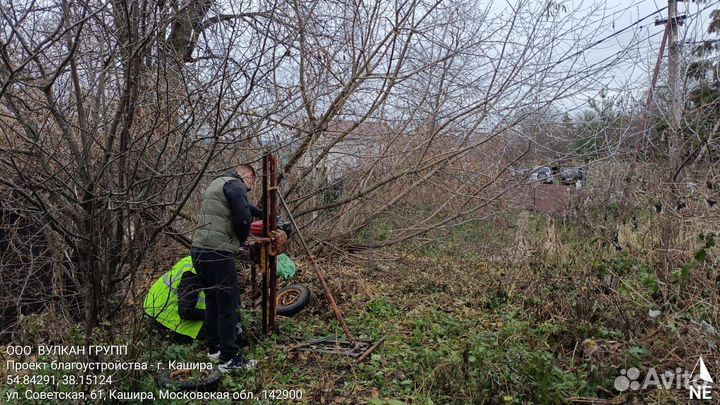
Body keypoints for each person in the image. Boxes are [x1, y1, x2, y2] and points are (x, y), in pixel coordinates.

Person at [191, 164, 262, 372]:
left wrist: (263, 213)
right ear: (247, 176)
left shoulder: (218, 183)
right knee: (228, 305)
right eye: (251, 184)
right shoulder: (236, 184)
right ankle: (230, 359)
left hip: (199, 250)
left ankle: (214, 350)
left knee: (213, 302)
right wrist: (241, 240)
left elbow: (244, 207)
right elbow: (242, 217)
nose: (248, 189)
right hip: (218, 252)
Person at [143, 256, 206, 342]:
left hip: (154, 308)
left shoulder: (194, 258)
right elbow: (185, 312)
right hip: (165, 320)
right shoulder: (194, 272)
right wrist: (216, 314)